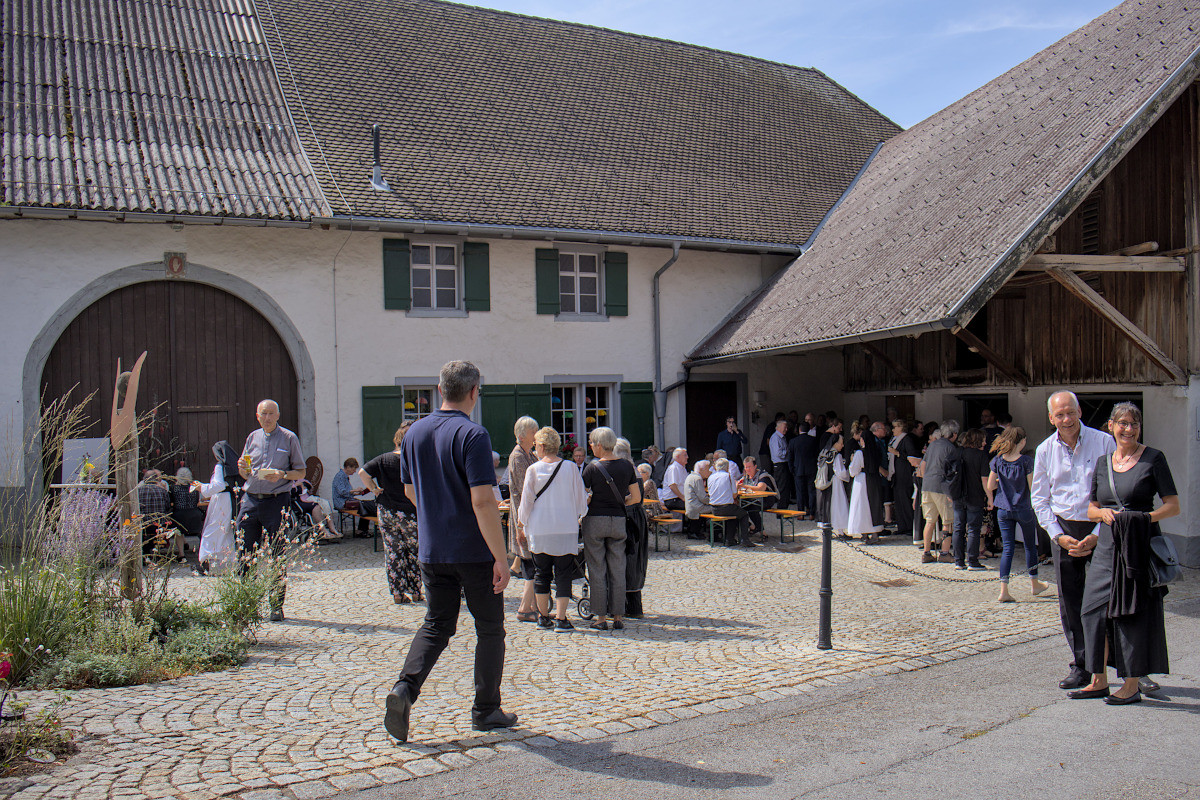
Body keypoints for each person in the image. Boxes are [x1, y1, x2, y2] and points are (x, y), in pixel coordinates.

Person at [385, 361, 513, 743]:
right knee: (489, 628)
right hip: (473, 550)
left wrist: (437, 515)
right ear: (474, 392)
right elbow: (483, 501)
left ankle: (405, 688)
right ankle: (486, 709)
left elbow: (410, 491)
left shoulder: (414, 433)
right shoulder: (473, 434)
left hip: (432, 548)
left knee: (437, 624)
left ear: (440, 390)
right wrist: (501, 557)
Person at [1072, 403, 1179, 705]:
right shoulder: (1103, 463)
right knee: (1091, 611)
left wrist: (1142, 518)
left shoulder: (1154, 459)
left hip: (1138, 546)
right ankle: (1098, 680)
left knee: (1131, 614)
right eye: (1123, 423)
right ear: (1111, 426)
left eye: (1134, 424)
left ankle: (1131, 685)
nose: (1128, 429)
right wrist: (1102, 514)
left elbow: (1173, 506)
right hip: (1107, 547)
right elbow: (1091, 509)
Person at [1032, 390, 1116, 691]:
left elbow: (1114, 492)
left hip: (1101, 525)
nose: (1066, 419)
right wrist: (1058, 536)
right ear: (1051, 418)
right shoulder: (1044, 450)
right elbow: (1039, 498)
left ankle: (1127, 666)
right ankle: (1082, 665)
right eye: (1060, 414)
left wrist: (1097, 535)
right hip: (1064, 529)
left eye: (1070, 412)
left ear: (1080, 411)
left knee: (1111, 598)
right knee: (1070, 601)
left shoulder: (1104, 442)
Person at [237, 399, 306, 622]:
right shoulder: (252, 437)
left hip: (276, 501)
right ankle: (247, 604)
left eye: (270, 414)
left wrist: (282, 474)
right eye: (263, 414)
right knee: (245, 554)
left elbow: (301, 472)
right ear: (257, 416)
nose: (267, 418)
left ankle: (276, 606)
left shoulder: (289, 438)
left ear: (278, 415)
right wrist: (242, 468)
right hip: (250, 500)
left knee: (277, 554)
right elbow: (246, 473)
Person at [517, 426, 589, 633]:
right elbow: (581, 501)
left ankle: (543, 617)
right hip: (565, 528)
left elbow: (526, 502)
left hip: (539, 529)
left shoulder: (533, 470)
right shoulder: (570, 468)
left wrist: (521, 525)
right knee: (564, 574)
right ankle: (561, 618)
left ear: (541, 446)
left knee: (542, 574)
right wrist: (579, 515)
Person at [581, 426, 640, 631]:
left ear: (599, 445)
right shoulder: (627, 466)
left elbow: (583, 497)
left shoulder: (591, 468)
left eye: (591, 442)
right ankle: (618, 616)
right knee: (618, 568)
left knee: (597, 569)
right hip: (618, 520)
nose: (590, 446)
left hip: (595, 521)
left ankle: (600, 618)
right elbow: (636, 497)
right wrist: (621, 501)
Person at [360, 422, 423, 604]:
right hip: (410, 512)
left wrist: (374, 489)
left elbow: (362, 473)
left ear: (396, 440)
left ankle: (398, 593)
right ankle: (416, 591)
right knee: (414, 551)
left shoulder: (383, 459)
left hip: (387, 511)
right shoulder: (415, 460)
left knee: (393, 552)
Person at [986, 426, 1049, 602]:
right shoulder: (1026, 461)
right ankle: (1034, 583)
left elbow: (990, 486)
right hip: (1023, 508)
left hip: (1003, 509)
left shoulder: (997, 461)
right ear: (1021, 442)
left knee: (1008, 548)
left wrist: (1001, 482)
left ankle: (1004, 590)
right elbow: (1032, 487)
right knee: (1030, 547)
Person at [504, 416, 540, 623]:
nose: (536, 435)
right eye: (533, 432)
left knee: (531, 560)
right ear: (522, 435)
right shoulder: (518, 456)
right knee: (529, 561)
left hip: (529, 514)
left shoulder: (529, 454)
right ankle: (525, 608)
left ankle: (533, 606)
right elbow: (524, 487)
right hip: (523, 516)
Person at [919, 420, 959, 563]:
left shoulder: (932, 445)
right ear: (954, 434)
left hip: (927, 485)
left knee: (929, 520)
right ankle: (944, 553)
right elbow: (952, 472)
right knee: (947, 521)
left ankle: (926, 553)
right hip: (942, 487)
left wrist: (926, 480)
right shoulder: (951, 448)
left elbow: (923, 465)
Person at [952, 429, 991, 571]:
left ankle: (959, 561)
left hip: (958, 494)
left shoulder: (958, 452)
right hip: (975, 496)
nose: (985, 443)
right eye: (983, 440)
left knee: (958, 528)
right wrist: (990, 497)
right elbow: (984, 480)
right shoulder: (981, 456)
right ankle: (973, 561)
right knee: (973, 529)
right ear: (978, 440)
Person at [845, 425, 883, 542]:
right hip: (874, 480)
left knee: (862, 507)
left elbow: (853, 471)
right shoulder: (876, 452)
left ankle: (865, 533)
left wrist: (852, 461)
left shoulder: (860, 453)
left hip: (862, 481)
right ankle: (875, 533)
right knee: (873, 506)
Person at [707, 458, 753, 547]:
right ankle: (744, 539)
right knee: (744, 514)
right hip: (725, 507)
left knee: (733, 515)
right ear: (727, 467)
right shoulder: (728, 476)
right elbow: (734, 495)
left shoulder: (711, 477)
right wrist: (736, 487)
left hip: (713, 508)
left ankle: (730, 539)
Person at [889, 419, 920, 545]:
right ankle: (902, 526)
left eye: (895, 427)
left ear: (901, 427)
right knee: (899, 500)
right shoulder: (894, 440)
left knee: (905, 500)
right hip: (897, 475)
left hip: (905, 475)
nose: (893, 429)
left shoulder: (907, 439)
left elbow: (912, 455)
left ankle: (909, 526)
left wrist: (897, 453)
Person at [333, 457, 376, 537]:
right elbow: (342, 492)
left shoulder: (343, 476)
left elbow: (346, 493)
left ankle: (362, 529)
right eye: (354, 469)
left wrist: (359, 493)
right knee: (366, 506)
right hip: (341, 503)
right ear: (348, 467)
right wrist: (355, 490)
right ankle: (362, 530)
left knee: (366, 504)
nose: (355, 471)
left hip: (345, 500)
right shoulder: (340, 476)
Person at [737, 456, 776, 536]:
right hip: (751, 499)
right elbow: (736, 481)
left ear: (755, 466)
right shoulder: (745, 476)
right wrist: (737, 484)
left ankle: (762, 533)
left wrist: (744, 486)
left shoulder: (762, 475)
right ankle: (751, 526)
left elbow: (761, 488)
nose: (747, 469)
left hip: (766, 500)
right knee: (736, 509)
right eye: (746, 467)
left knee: (752, 508)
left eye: (749, 467)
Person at [788, 422, 818, 515]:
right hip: (811, 469)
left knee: (800, 492)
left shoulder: (793, 441)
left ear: (799, 429)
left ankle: (800, 513)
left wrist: (791, 469)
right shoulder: (813, 440)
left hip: (798, 469)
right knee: (811, 491)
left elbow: (790, 457)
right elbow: (816, 454)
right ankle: (812, 513)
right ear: (808, 430)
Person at [169, 467, 205, 535]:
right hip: (194, 514)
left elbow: (171, 502)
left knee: (177, 530)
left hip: (179, 515)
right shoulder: (194, 488)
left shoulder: (174, 488)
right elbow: (196, 501)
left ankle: (181, 542)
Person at [769, 418, 792, 510]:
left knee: (786, 487)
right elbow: (778, 453)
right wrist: (787, 451)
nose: (786, 429)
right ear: (778, 427)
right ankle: (781, 510)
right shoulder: (775, 438)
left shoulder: (782, 437)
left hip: (784, 464)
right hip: (779, 465)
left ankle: (784, 508)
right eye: (784, 427)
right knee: (782, 487)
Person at [658, 447, 688, 515]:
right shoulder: (673, 468)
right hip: (672, 500)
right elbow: (672, 486)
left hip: (678, 499)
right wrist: (683, 498)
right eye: (685, 455)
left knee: (696, 506)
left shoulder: (683, 468)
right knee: (694, 507)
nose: (687, 457)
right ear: (677, 457)